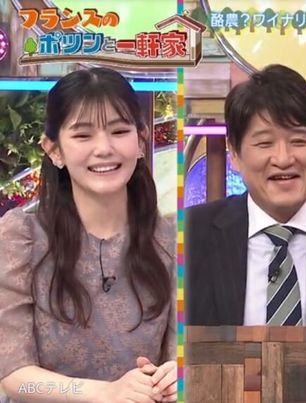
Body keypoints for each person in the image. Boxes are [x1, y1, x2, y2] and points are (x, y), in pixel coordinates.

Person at [0, 68, 177, 403]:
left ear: (141, 140)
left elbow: (179, 357)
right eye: (83, 135)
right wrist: (105, 392)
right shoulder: (21, 238)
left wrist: (176, 378)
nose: (104, 148)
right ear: (54, 150)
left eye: (119, 131)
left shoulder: (170, 241)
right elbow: (14, 378)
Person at [185, 64, 306, 326]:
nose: (283, 159)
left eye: (299, 141)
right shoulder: (190, 234)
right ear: (235, 154)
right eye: (264, 143)